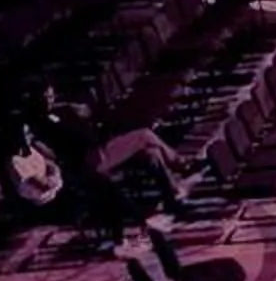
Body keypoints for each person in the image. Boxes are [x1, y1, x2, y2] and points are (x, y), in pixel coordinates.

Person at [35, 87, 188, 216]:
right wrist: (81, 120)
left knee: (152, 155)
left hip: (99, 151)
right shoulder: (43, 121)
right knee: (144, 135)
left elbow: (93, 129)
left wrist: (87, 118)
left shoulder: (61, 111)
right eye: (46, 96)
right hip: (88, 159)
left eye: (51, 94)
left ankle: (172, 198)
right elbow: (79, 139)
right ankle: (182, 164)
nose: (50, 98)